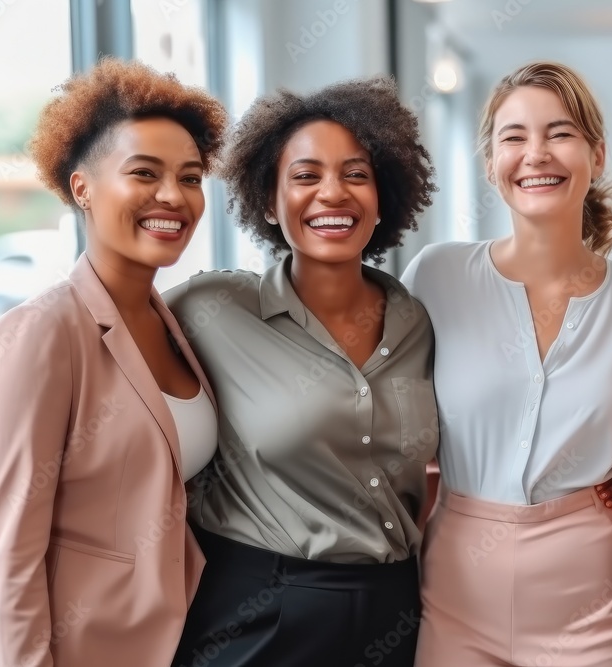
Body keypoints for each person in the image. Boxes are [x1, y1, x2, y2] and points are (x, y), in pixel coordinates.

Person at [0, 59, 228, 667]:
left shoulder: (172, 320)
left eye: (190, 176)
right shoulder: (42, 334)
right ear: (82, 189)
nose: (172, 197)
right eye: (143, 174)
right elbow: (2, 551)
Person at [402, 61, 612, 667]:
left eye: (559, 133)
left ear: (597, 155)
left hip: (595, 593)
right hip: (456, 586)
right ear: (489, 162)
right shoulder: (434, 276)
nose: (537, 154)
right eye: (514, 137)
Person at [167, 77, 438, 667]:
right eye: (306, 176)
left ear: (383, 195)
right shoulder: (209, 310)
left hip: (395, 610)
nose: (332, 194)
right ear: (268, 199)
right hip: (259, 611)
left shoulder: (418, 322)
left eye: (356, 175)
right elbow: (99, 367)